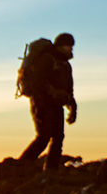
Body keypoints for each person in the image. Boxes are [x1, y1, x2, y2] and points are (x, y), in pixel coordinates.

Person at [19, 33, 77, 171]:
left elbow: (69, 89)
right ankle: (21, 167)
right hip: (41, 103)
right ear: (60, 45)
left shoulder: (65, 65)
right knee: (44, 137)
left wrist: (73, 108)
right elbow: (38, 82)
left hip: (56, 105)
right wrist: (52, 94)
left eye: (71, 46)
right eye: (68, 45)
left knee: (58, 138)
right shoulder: (47, 59)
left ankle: (51, 170)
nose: (71, 49)